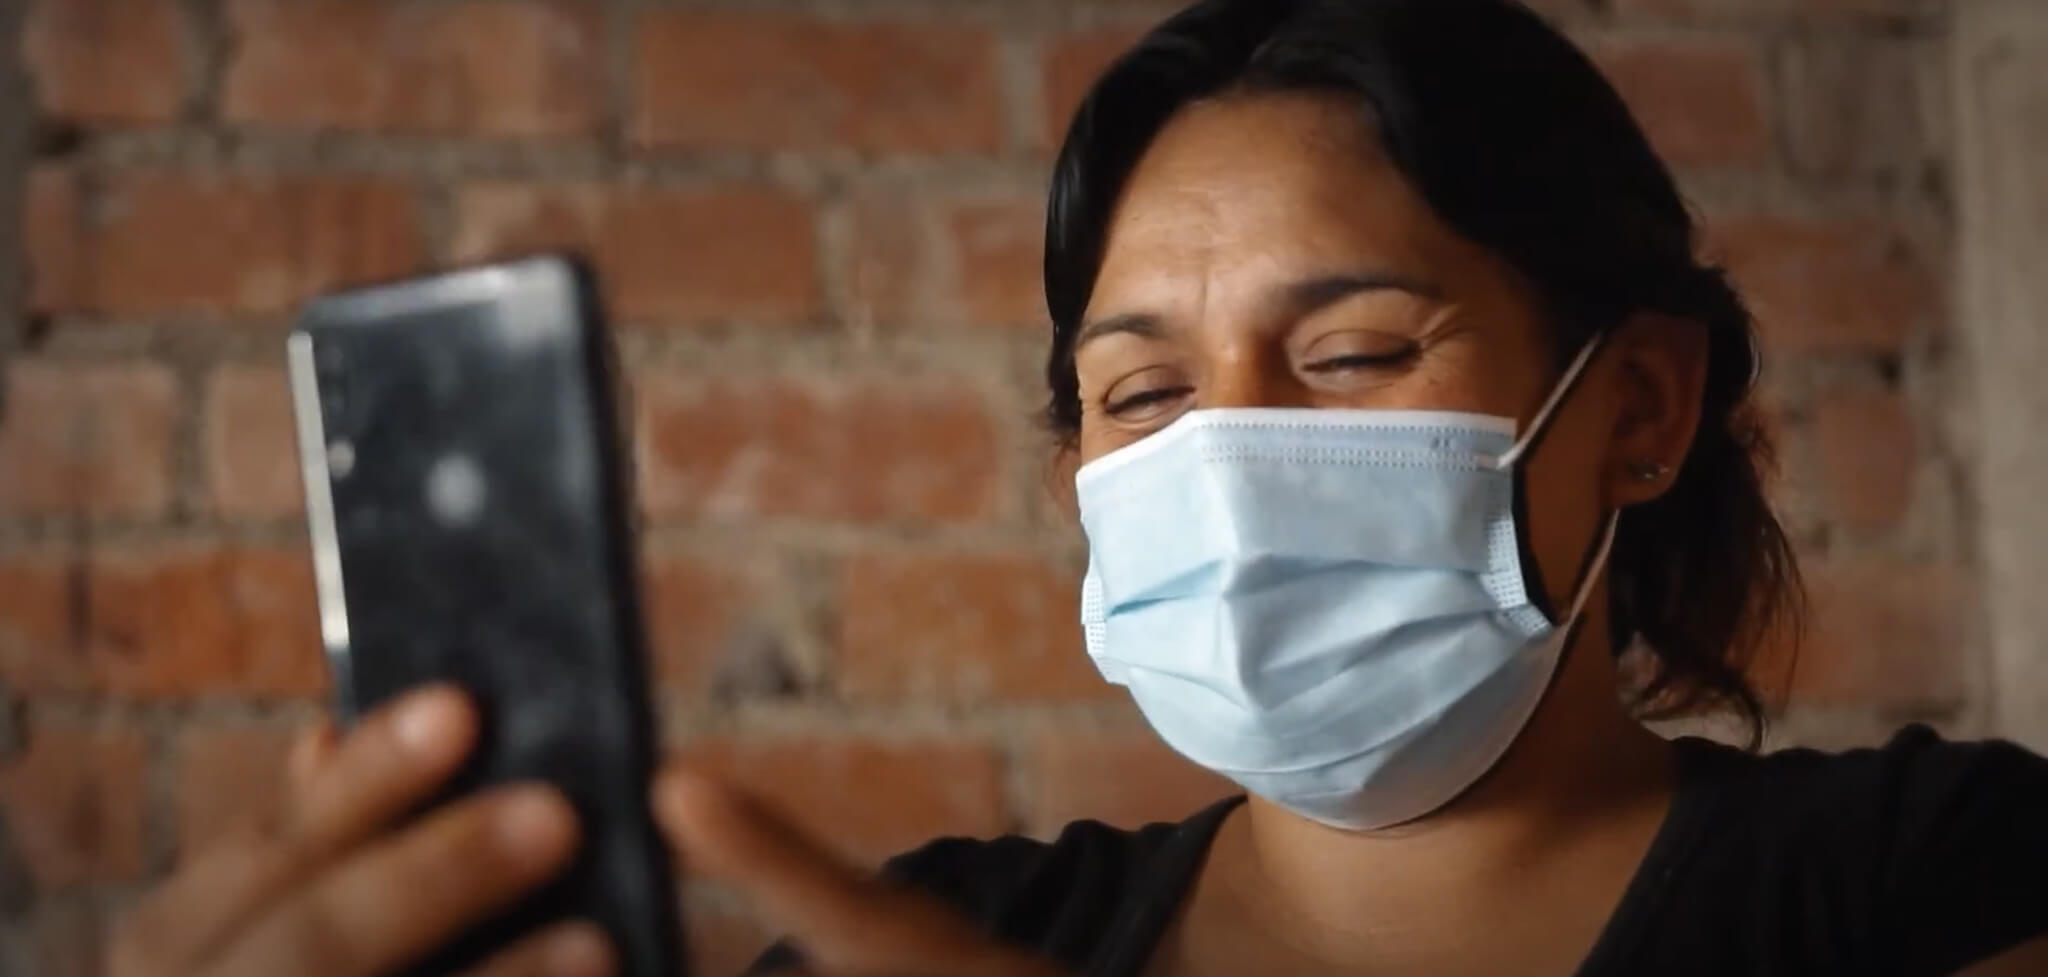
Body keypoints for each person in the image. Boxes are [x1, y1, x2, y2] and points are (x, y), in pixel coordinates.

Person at [111, 1, 2048, 976]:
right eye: (1135, 389)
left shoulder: (1942, 883)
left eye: (1355, 351)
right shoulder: (940, 937)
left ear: (1635, 405)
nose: (1217, 449)